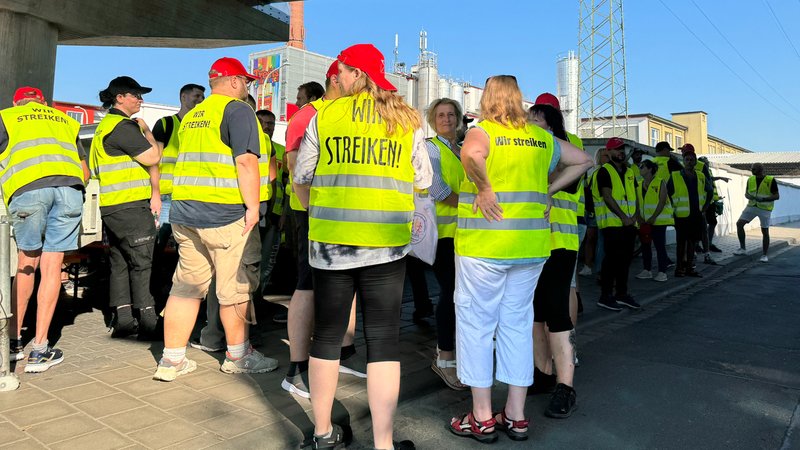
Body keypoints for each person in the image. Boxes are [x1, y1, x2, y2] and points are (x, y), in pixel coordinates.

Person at [293, 43, 428, 450]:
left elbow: (302, 177)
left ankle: (322, 434)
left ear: (355, 74)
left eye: (344, 71)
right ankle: (383, 444)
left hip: (332, 245)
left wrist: (318, 211)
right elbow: (421, 180)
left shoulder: (325, 115)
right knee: (384, 338)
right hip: (386, 246)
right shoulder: (407, 120)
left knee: (328, 337)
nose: (339, 77)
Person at [449, 75, 590, 444]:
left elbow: (470, 154)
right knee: (515, 325)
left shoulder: (485, 131)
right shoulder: (540, 138)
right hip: (530, 251)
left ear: (489, 98)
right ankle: (516, 415)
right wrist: (548, 189)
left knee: (478, 327)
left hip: (484, 248)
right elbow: (583, 160)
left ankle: (480, 417)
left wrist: (484, 188)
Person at [153, 57, 278, 381]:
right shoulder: (238, 111)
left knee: (186, 286)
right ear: (235, 81)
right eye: (247, 82)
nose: (247, 87)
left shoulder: (194, 115)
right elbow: (246, 163)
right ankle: (238, 356)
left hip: (185, 213)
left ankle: (172, 360)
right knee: (234, 288)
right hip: (224, 214)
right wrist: (253, 208)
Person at [281, 61, 366, 400]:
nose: (360, 84)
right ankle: (297, 368)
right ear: (336, 79)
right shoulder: (309, 115)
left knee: (348, 285)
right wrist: (314, 207)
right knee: (307, 286)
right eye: (354, 76)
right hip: (312, 216)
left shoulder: (347, 113)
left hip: (342, 217)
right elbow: (294, 166)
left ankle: (339, 354)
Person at [1, 86, 89, 371]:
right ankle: (40, 350)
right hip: (69, 190)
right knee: (53, 267)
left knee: (27, 262)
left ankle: (12, 344)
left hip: (29, 192)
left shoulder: (7, 117)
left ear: (17, 103)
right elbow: (85, 171)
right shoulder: (65, 121)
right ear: (43, 103)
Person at [189, 94, 276, 354]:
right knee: (239, 280)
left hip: (232, 211)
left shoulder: (228, 133)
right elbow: (267, 177)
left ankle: (219, 338)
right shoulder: (261, 139)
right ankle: (240, 342)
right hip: (247, 211)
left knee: (224, 280)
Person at [526, 97, 592, 419]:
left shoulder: (566, 146)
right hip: (531, 241)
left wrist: (546, 188)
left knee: (555, 311)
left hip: (560, 241)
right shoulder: (529, 147)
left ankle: (565, 387)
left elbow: (577, 174)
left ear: (551, 125)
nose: (529, 126)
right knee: (535, 313)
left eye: (536, 121)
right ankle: (542, 374)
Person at [91, 76, 162, 339]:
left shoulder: (104, 126)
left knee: (120, 262)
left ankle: (122, 320)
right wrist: (146, 130)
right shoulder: (123, 127)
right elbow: (153, 157)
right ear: (119, 97)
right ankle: (148, 321)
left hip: (112, 206)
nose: (140, 99)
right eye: (135, 95)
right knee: (142, 263)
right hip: (131, 207)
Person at [424, 98, 467, 391]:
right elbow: (438, 189)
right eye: (441, 115)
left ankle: (455, 353)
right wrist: (475, 205)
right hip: (443, 234)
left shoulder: (463, 150)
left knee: (463, 296)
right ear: (432, 119)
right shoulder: (431, 147)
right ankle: (445, 356)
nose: (447, 119)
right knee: (451, 293)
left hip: (466, 234)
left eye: (451, 114)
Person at [152, 83, 205, 299]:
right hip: (165, 198)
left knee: (186, 250)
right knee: (158, 248)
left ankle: (177, 295)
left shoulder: (200, 128)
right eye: (196, 96)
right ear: (183, 97)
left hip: (190, 198)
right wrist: (154, 193)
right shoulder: (166, 124)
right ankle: (155, 295)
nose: (200, 100)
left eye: (203, 96)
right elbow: (154, 160)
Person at [593, 137, 640, 311]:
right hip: (612, 223)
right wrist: (622, 216)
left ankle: (621, 294)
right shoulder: (604, 171)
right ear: (609, 152)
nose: (621, 152)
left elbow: (634, 196)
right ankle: (606, 295)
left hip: (628, 224)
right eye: (617, 149)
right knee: (611, 260)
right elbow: (607, 196)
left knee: (625, 260)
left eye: (623, 149)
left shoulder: (629, 172)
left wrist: (635, 215)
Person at [668, 151, 712, 277]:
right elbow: (668, 193)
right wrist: (672, 209)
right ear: (683, 160)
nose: (689, 162)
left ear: (695, 161)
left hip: (696, 214)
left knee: (692, 242)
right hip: (681, 215)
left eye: (691, 160)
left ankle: (690, 268)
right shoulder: (675, 175)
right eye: (686, 159)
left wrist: (705, 207)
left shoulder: (700, 176)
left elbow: (709, 191)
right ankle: (679, 268)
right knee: (681, 243)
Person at [635, 160, 673, 282]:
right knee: (645, 246)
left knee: (659, 246)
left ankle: (662, 272)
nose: (640, 168)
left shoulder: (660, 182)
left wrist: (653, 217)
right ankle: (647, 270)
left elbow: (662, 201)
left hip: (658, 221)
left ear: (650, 169)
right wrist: (639, 218)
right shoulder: (639, 184)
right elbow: (636, 203)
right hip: (644, 221)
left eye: (642, 166)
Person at [733, 163, 779, 262]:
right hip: (752, 206)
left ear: (761, 169)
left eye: (754, 169)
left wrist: (764, 199)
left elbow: (776, 196)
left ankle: (764, 255)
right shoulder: (750, 180)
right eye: (751, 168)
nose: (752, 170)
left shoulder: (770, 180)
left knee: (765, 231)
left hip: (765, 208)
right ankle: (742, 249)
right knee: (739, 224)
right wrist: (748, 196)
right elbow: (747, 193)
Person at [698, 155, 729, 254]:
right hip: (703, 202)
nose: (707, 164)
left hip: (710, 202)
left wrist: (716, 198)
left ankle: (708, 243)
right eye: (705, 162)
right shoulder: (699, 171)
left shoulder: (708, 170)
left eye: (707, 163)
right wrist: (720, 177)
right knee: (702, 224)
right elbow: (708, 180)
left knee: (712, 223)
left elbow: (711, 187)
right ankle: (698, 245)